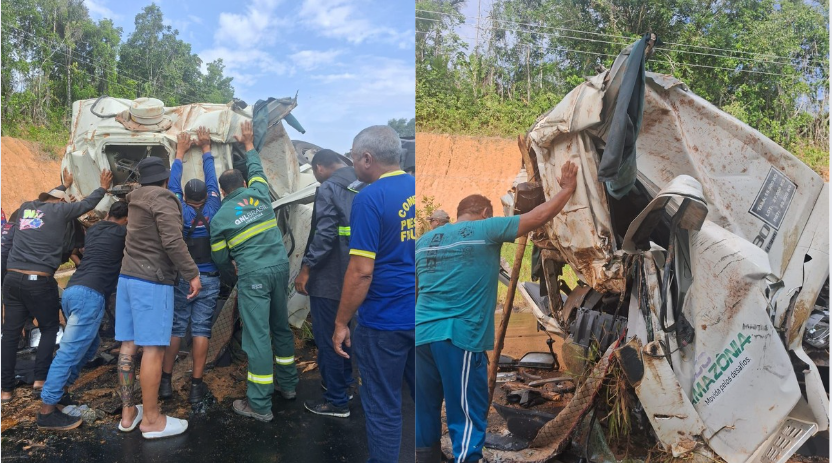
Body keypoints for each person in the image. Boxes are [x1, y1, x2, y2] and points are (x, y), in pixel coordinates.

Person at [414, 162, 579, 462]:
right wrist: (567, 189)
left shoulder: (424, 242)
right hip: (458, 336)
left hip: (422, 334)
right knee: (465, 412)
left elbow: (415, 289)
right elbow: (537, 217)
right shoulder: (485, 228)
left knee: (424, 409)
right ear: (485, 213)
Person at [331, 125, 415, 462]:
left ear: (367, 158)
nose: (352, 164)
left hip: (384, 321)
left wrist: (341, 323)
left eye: (352, 157)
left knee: (383, 405)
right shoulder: (415, 186)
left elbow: (361, 271)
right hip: (421, 315)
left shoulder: (369, 198)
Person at [210, 120, 298, 422]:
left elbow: (220, 259)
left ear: (223, 193)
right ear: (244, 184)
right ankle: (288, 387)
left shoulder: (220, 218)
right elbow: (258, 170)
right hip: (279, 269)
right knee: (281, 329)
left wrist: (236, 270)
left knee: (258, 338)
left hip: (255, 277)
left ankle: (259, 405)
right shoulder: (260, 193)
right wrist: (248, 144)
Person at [1, 169, 111, 404]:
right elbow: (87, 204)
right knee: (50, 328)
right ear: (60, 201)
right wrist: (103, 187)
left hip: (11, 280)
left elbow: (49, 200)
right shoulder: (61, 210)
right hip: (38, 281)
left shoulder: (25, 208)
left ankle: (5, 391)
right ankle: (40, 380)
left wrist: (64, 184)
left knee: (10, 334)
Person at [116, 156, 201, 439]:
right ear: (166, 180)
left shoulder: (135, 200)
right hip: (151, 281)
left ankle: (129, 414)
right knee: (153, 348)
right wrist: (192, 273)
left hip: (127, 279)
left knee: (129, 345)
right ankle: (151, 419)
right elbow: (173, 241)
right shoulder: (163, 198)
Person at [36, 201, 129, 430]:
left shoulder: (95, 229)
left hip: (72, 291)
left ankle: (62, 393)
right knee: (69, 352)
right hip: (90, 295)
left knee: (90, 345)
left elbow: (84, 248)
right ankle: (47, 411)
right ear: (127, 219)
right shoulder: (124, 233)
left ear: (108, 213)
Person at [295, 149, 362, 418]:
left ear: (320, 168)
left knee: (329, 339)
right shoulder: (363, 183)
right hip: (357, 275)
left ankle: (336, 401)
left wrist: (306, 269)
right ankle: (344, 384)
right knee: (345, 332)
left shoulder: (329, 188)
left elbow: (324, 236)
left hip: (329, 278)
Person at [159, 127, 223, 404]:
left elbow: (172, 183)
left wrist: (180, 152)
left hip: (184, 277)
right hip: (209, 277)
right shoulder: (214, 207)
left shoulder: (177, 208)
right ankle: (196, 385)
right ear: (207, 197)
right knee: (201, 329)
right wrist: (207, 149)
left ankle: (165, 382)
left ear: (183, 196)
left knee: (176, 327)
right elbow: (213, 180)